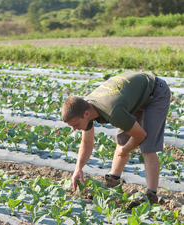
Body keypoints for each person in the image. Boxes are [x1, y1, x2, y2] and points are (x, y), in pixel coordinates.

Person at [61, 71, 170, 206]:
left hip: (155, 91)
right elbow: (87, 142)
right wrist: (78, 169)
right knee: (121, 139)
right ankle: (113, 181)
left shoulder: (112, 111)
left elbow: (141, 135)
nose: (74, 129)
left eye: (75, 124)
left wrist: (125, 150)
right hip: (133, 96)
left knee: (147, 146)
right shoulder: (84, 108)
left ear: (86, 114)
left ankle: (151, 196)